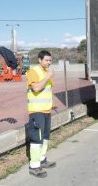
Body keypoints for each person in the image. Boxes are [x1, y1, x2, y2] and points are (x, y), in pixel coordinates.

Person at [26, 50, 56, 178]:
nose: (49, 62)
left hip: (46, 111)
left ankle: (42, 160)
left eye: (50, 60)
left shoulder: (45, 72)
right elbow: (36, 88)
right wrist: (48, 77)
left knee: (45, 137)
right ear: (39, 60)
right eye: (46, 60)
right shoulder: (34, 71)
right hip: (37, 111)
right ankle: (34, 166)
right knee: (36, 139)